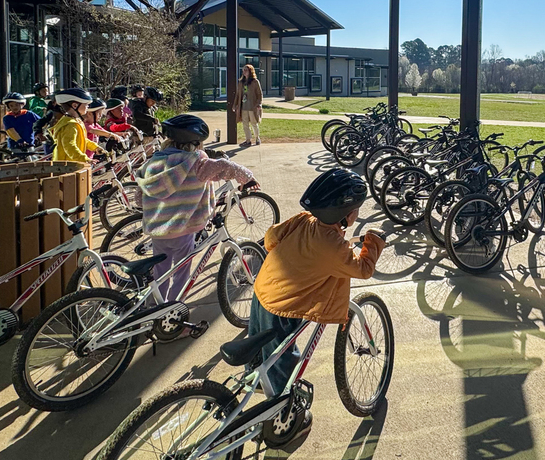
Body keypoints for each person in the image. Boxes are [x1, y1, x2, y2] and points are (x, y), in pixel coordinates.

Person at [248, 168, 385, 439]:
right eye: (356, 208)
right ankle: (282, 419)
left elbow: (271, 238)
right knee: (283, 361)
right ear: (344, 212)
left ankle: (256, 377)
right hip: (282, 307)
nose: (357, 214)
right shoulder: (332, 244)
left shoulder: (304, 219)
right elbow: (363, 268)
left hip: (263, 289)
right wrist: (373, 242)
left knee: (259, 344)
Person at [136, 115, 258, 300]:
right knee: (182, 273)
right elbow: (224, 166)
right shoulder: (197, 163)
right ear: (195, 143)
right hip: (183, 230)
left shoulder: (154, 162)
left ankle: (154, 308)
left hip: (157, 229)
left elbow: (140, 196)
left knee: (160, 271)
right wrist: (247, 177)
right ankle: (173, 310)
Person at [50, 88, 98, 164]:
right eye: (86, 104)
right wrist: (85, 158)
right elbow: (70, 146)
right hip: (66, 166)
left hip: (72, 164)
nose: (88, 106)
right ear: (75, 105)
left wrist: (95, 147)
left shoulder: (77, 121)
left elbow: (82, 139)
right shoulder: (70, 125)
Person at [234, 64, 263, 146]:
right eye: (243, 70)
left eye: (246, 70)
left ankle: (257, 138)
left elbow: (259, 94)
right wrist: (235, 105)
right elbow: (237, 95)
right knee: (245, 124)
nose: (244, 72)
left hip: (252, 106)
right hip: (243, 106)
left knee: (254, 123)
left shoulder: (255, 82)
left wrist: (259, 104)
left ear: (250, 71)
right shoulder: (241, 82)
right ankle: (248, 140)